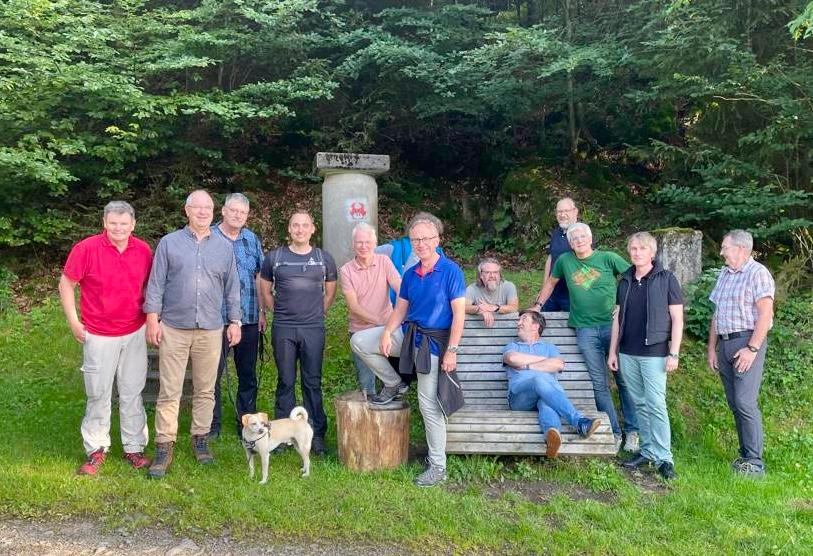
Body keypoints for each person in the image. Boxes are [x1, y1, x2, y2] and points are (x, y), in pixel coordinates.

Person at [351, 212, 465, 487]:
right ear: (411, 242)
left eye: (426, 238)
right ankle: (394, 384)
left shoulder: (450, 271)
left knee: (428, 405)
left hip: (433, 345)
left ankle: (438, 466)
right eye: (416, 239)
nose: (421, 243)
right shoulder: (411, 274)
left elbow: (458, 314)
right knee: (361, 341)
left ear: (437, 240)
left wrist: (453, 350)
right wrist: (388, 332)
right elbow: (400, 309)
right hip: (409, 335)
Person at [143, 190, 241, 479]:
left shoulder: (224, 247)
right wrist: (152, 319)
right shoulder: (169, 243)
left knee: (205, 389)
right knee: (169, 390)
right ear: (186, 211)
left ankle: (200, 438)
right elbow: (156, 283)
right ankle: (164, 444)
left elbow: (232, 287)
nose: (202, 212)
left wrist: (234, 321)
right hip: (173, 326)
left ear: (214, 211)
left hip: (211, 328)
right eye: (196, 207)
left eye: (207, 207)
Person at [59, 201, 153, 476]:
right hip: (98, 334)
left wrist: (150, 319)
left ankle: (134, 447)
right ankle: (96, 449)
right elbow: (66, 283)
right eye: (113, 223)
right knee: (98, 394)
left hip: (134, 331)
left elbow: (151, 286)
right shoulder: (86, 249)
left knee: (132, 392)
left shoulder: (144, 250)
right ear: (104, 222)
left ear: (133, 225)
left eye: (124, 224)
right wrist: (74, 321)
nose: (118, 229)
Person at [532, 222, 639, 451]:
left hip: (613, 327)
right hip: (585, 330)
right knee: (599, 384)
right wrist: (538, 306)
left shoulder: (608, 258)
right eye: (574, 238)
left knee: (623, 380)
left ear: (590, 238)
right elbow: (550, 283)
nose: (578, 240)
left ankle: (633, 431)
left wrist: (623, 306)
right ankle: (614, 431)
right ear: (570, 243)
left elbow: (634, 276)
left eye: (582, 236)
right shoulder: (565, 261)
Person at [259, 211, 337, 456]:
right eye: (295, 225)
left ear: (313, 229)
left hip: (313, 328)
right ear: (289, 229)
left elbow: (330, 292)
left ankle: (316, 434)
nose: (300, 230)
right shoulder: (275, 257)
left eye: (305, 225)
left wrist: (315, 314)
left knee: (312, 381)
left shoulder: (323, 258)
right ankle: (282, 436)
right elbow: (265, 289)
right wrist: (280, 313)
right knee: (285, 380)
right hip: (284, 327)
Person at [607, 232, 683, 480]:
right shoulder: (625, 280)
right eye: (633, 248)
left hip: (655, 352)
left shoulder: (667, 279)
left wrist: (674, 352)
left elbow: (677, 318)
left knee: (656, 404)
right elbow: (617, 318)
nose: (637, 252)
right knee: (639, 402)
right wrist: (613, 351)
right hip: (628, 351)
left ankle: (664, 458)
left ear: (652, 252)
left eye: (641, 248)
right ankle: (647, 451)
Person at [707, 229, 774, 478]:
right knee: (735, 402)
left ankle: (755, 462)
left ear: (741, 249)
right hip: (725, 344)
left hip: (747, 342)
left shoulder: (758, 274)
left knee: (745, 401)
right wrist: (712, 349)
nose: (721, 251)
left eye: (725, 247)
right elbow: (716, 315)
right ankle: (745, 455)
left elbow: (765, 315)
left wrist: (752, 349)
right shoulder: (724, 274)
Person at [503, 310, 602, 457]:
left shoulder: (549, 347)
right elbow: (512, 359)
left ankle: (551, 437)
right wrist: (543, 361)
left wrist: (526, 365)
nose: (518, 323)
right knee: (540, 379)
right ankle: (579, 422)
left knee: (546, 400)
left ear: (535, 326)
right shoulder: (513, 346)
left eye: (523, 319)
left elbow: (558, 364)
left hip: (546, 395)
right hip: (519, 398)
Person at [209, 193, 265, 439]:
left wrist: (263, 311)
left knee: (247, 374)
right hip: (215, 319)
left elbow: (260, 277)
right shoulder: (208, 236)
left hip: (250, 317)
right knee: (211, 374)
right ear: (223, 211)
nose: (238, 215)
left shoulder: (251, 239)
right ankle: (211, 426)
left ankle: (246, 424)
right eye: (233, 211)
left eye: (243, 212)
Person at [340, 223, 401, 396]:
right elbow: (354, 307)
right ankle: (369, 416)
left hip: (387, 331)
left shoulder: (384, 261)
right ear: (353, 244)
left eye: (367, 242)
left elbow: (400, 287)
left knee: (392, 383)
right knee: (366, 386)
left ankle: (392, 415)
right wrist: (382, 322)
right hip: (360, 332)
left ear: (375, 244)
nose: (363, 246)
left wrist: (406, 308)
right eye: (359, 242)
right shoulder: (346, 271)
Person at [541, 197, 580, 312]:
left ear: (575, 211)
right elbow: (550, 258)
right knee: (542, 321)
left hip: (571, 294)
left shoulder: (582, 234)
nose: (562, 215)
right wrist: (544, 287)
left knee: (572, 327)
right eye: (559, 211)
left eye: (566, 211)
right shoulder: (557, 232)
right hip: (552, 291)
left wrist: (581, 292)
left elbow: (589, 263)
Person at [465, 257, 519, 327]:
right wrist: (479, 309)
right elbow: (463, 307)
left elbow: (514, 307)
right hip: (480, 329)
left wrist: (494, 307)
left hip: (504, 328)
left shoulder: (509, 286)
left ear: (500, 274)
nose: (492, 276)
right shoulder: (472, 288)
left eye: (495, 272)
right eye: (487, 272)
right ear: (481, 275)